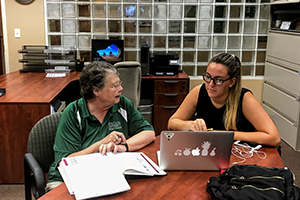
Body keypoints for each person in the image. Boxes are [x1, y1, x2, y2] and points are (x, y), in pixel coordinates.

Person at [47, 61, 156, 191]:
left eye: (119, 84)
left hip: (109, 174)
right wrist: (100, 144)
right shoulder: (73, 113)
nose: (120, 89)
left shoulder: (122, 104)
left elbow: (148, 133)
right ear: (96, 91)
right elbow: (66, 162)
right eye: (115, 86)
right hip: (69, 178)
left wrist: (123, 147)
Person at [168, 53, 281, 147]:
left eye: (218, 80)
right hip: (208, 150)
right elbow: (172, 122)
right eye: (208, 77)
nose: (210, 84)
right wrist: (191, 125)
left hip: (238, 154)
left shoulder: (244, 99)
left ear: (232, 82)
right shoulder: (199, 92)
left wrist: (227, 135)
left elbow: (274, 138)